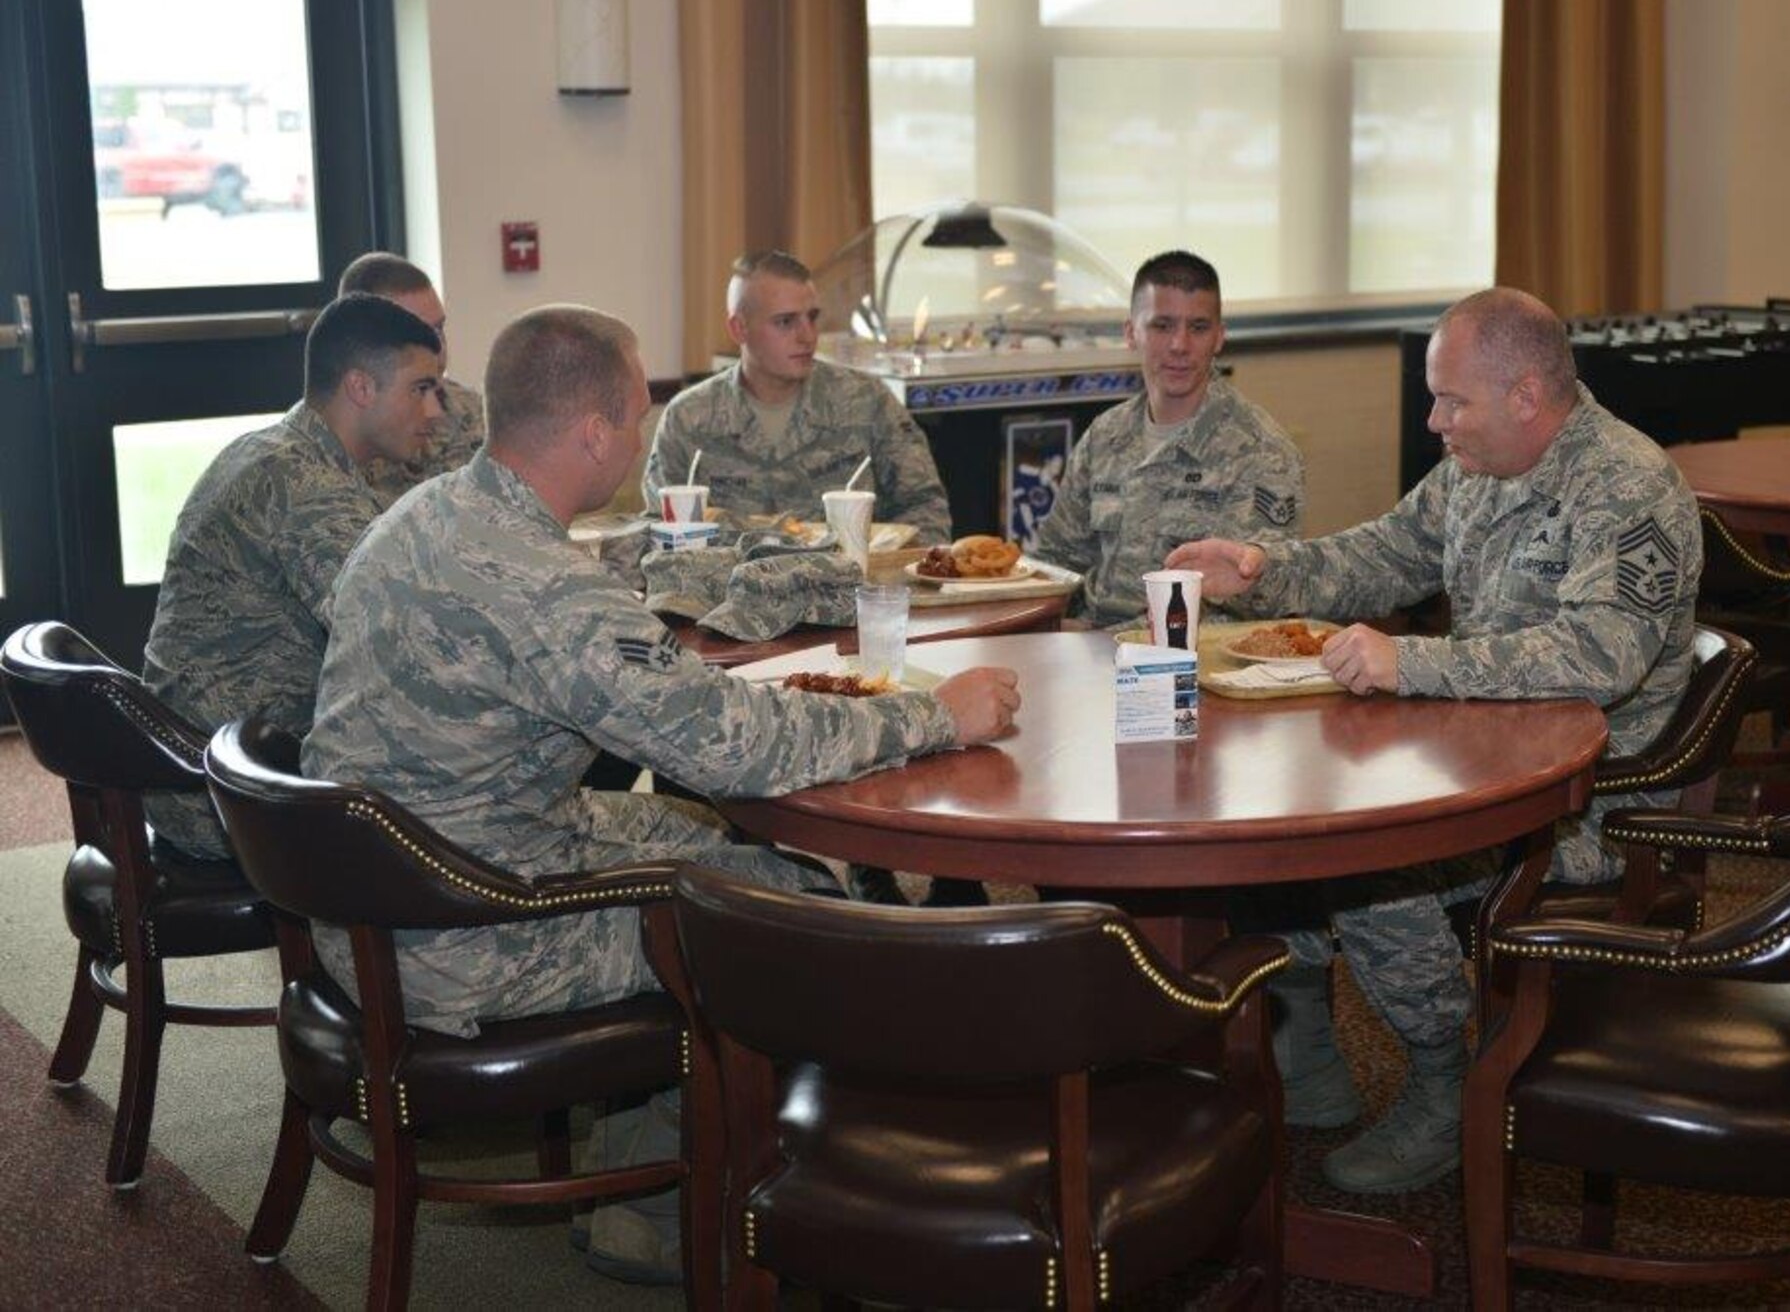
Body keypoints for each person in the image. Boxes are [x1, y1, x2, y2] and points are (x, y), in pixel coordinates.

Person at [302, 304, 1020, 1283]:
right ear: (594, 432)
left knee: (718, 842)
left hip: (374, 891)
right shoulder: (550, 591)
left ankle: (647, 1166)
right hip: (464, 931)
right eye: (635, 419)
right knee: (785, 912)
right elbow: (741, 746)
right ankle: (743, 1202)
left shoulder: (420, 516)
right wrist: (944, 715)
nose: (637, 439)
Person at [1167, 286, 1701, 1195]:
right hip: (1478, 750)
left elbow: (1602, 655)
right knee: (1274, 805)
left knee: (1368, 856)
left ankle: (1446, 1086)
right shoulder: (1474, 469)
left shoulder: (1625, 484)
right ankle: (1305, 1049)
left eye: (1450, 399)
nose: (1433, 418)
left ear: (1525, 396)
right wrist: (1262, 569)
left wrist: (1412, 663)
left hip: (1584, 801)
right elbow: (1386, 552)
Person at [140, 293, 443, 860]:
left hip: (202, 763)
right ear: (360, 387)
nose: (436, 413)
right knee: (496, 767)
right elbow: (400, 640)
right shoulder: (306, 488)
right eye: (421, 389)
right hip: (232, 791)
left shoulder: (282, 452)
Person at [1030, 249, 1303, 628]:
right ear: (1131, 333)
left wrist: (1096, 643)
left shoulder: (1259, 450)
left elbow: (1247, 607)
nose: (1179, 345)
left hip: (1183, 660)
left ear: (1219, 337)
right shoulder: (1105, 436)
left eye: (1198, 327)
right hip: (1087, 649)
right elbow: (1054, 564)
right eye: (1162, 326)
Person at [643, 249, 952, 543]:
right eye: (786, 322)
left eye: (812, 317)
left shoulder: (865, 402)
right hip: (726, 594)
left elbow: (925, 508)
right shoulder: (689, 417)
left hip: (847, 591)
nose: (808, 335)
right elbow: (658, 529)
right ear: (739, 329)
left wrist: (891, 574)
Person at [337, 252, 486, 500]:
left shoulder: (475, 414)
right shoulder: (334, 437)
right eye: (417, 334)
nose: (437, 347)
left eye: (439, 328)